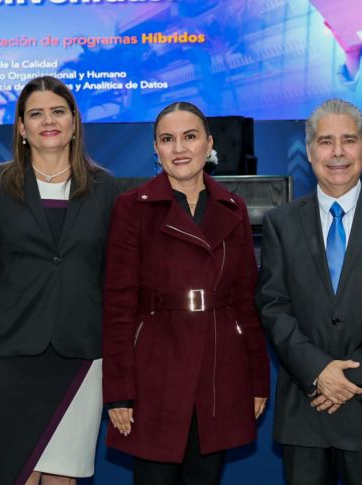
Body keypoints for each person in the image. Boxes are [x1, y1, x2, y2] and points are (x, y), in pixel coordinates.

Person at [0, 76, 118, 485]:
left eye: (59, 111)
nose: (49, 121)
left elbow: (116, 279)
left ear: (75, 122)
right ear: (22, 128)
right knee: (14, 476)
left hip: (79, 356)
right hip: (7, 354)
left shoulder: (106, 187)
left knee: (63, 478)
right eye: (36, 114)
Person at [255, 98, 362, 485]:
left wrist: (347, 381)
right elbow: (273, 305)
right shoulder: (280, 222)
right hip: (306, 410)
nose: (337, 152)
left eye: (348, 140)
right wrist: (319, 372)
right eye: (326, 141)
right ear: (310, 150)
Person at [102, 101, 270, 485]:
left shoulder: (233, 207)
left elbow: (247, 301)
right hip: (154, 373)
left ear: (209, 144)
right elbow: (118, 305)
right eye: (167, 139)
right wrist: (119, 391)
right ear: (156, 150)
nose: (179, 148)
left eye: (190, 137)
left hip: (220, 371)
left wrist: (258, 380)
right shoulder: (132, 208)